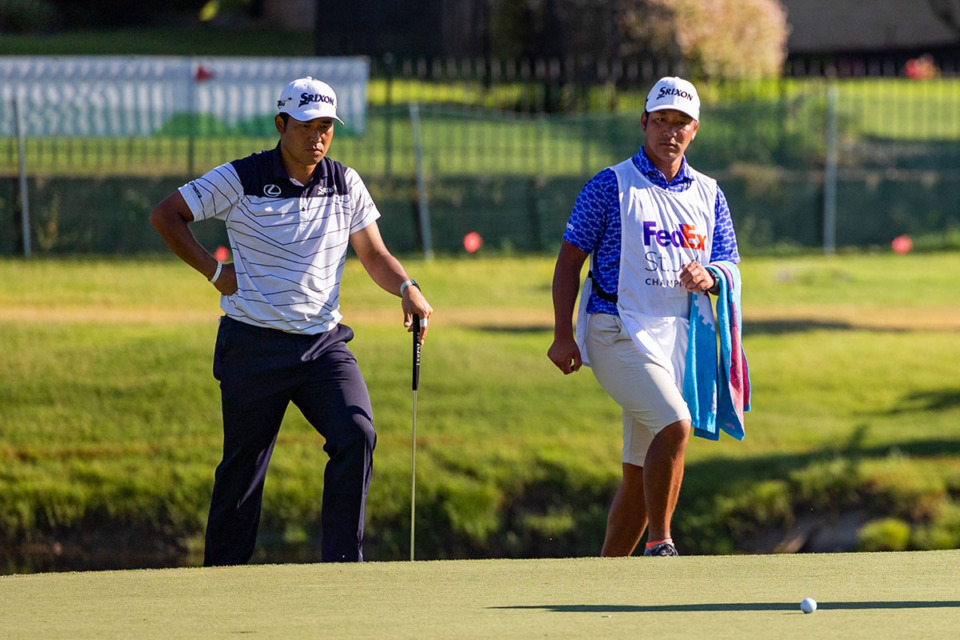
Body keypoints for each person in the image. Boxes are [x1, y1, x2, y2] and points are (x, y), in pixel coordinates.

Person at [150, 76, 432, 564]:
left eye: (326, 127)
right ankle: (224, 577)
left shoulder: (346, 182)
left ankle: (344, 566)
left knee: (356, 433)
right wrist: (216, 272)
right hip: (253, 345)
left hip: (323, 346)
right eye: (306, 125)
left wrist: (407, 288)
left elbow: (374, 254)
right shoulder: (241, 178)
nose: (317, 136)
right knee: (244, 470)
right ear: (281, 124)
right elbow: (166, 214)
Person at [547, 77, 741, 557]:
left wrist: (711, 274)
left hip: (673, 336)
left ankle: (606, 578)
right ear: (644, 122)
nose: (669, 132)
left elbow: (729, 261)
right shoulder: (610, 185)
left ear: (694, 130)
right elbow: (569, 260)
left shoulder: (710, 194)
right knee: (676, 424)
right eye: (660, 121)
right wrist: (561, 335)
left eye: (680, 123)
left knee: (638, 472)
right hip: (614, 330)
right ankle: (661, 543)